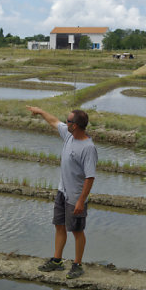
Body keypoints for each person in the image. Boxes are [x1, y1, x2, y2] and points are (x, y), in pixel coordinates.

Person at [26, 105, 97, 279]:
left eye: (68, 120)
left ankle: (77, 265)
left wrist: (81, 201)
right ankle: (57, 260)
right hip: (62, 192)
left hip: (75, 197)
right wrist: (41, 111)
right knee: (59, 225)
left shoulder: (88, 148)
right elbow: (54, 122)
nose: (65, 122)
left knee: (77, 231)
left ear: (76, 125)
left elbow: (90, 177)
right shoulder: (69, 135)